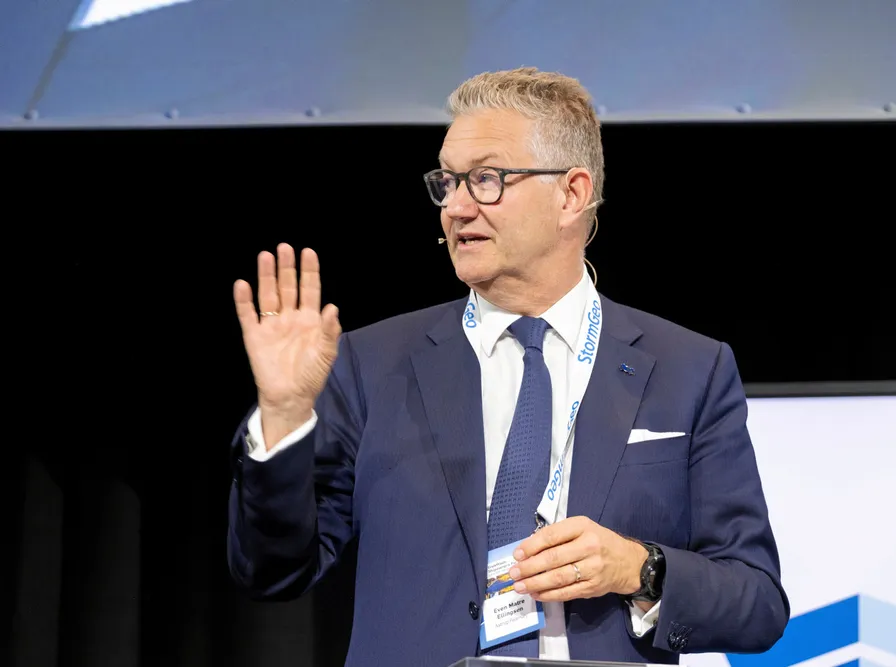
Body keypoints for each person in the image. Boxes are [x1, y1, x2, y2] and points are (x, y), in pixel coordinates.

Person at [227, 67, 788, 666]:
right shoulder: (373, 364)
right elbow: (272, 569)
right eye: (448, 182)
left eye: (487, 179)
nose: (455, 207)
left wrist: (638, 567)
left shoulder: (688, 369)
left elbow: (756, 603)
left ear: (571, 195)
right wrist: (283, 417)